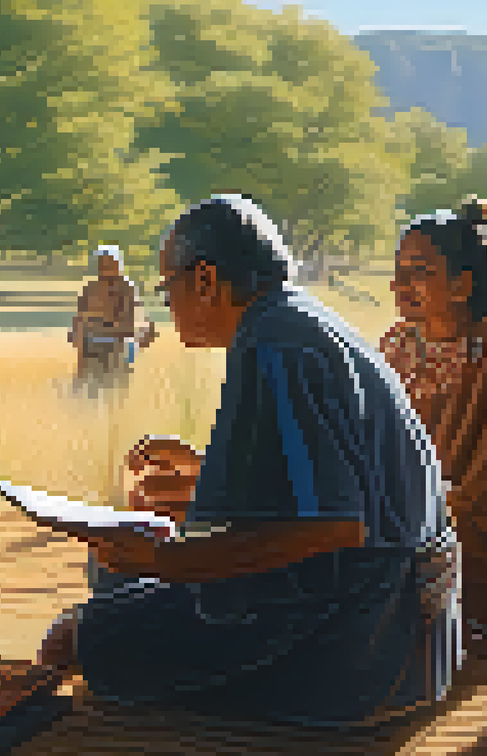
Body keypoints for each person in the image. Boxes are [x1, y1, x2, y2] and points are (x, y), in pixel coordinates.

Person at [35, 195, 461, 726]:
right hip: (408, 642)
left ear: (207, 280)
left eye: (169, 287)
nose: (168, 303)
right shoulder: (297, 322)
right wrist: (205, 472)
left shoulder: (275, 346)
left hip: (358, 646)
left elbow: (333, 526)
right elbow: (328, 477)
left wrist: (164, 561)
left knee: (75, 639)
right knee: (113, 579)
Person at [379, 197, 487, 650]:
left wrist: (401, 509)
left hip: (479, 532)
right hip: (412, 515)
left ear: (461, 286)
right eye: (398, 270)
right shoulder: (396, 345)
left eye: (418, 271)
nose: (400, 285)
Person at [69, 245, 157, 386]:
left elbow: (130, 326)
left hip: (120, 344)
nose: (104, 267)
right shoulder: (90, 289)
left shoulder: (127, 288)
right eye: (101, 263)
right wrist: (79, 333)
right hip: (95, 343)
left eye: (108, 263)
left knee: (115, 356)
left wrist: (97, 329)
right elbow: (79, 321)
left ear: (118, 264)